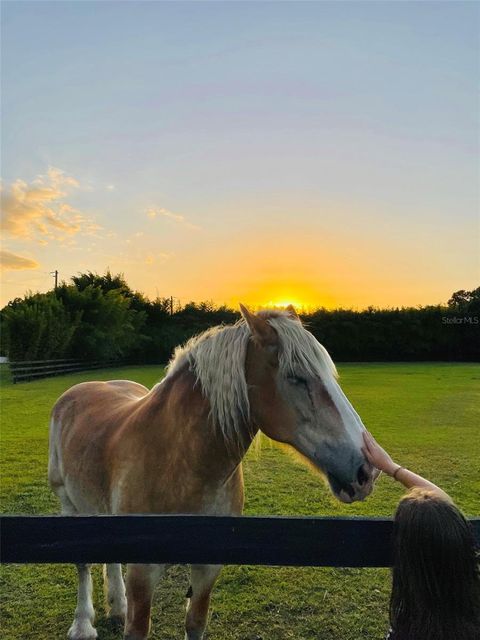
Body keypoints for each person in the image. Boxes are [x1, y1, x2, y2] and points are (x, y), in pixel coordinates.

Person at [361, 430, 480, 640]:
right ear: (460, 545)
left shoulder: (407, 632)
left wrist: (390, 467)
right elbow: (446, 510)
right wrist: (393, 468)